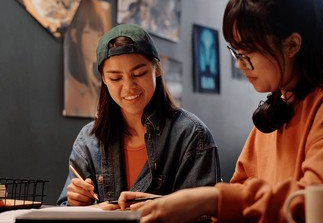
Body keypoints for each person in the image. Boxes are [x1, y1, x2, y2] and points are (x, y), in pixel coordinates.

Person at [114, 0, 323, 223]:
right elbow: (242, 191)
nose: (239, 64)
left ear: (292, 45)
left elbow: (310, 203)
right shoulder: (279, 108)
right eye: (235, 52)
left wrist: (208, 200)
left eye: (246, 54)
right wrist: (173, 202)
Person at [57, 23, 221, 206]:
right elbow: (65, 210)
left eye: (139, 73)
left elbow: (204, 214)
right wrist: (75, 203)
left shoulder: (191, 135)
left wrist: (162, 207)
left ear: (157, 69)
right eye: (115, 78)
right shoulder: (88, 140)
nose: (128, 86)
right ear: (103, 79)